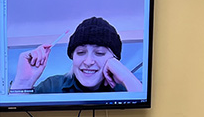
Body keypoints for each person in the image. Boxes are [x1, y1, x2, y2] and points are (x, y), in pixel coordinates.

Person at [10, 17, 143, 94]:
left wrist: (126, 77)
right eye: (80, 52)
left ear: (114, 59)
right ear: (73, 56)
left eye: (100, 53)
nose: (88, 61)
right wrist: (23, 82)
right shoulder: (52, 86)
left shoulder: (127, 88)